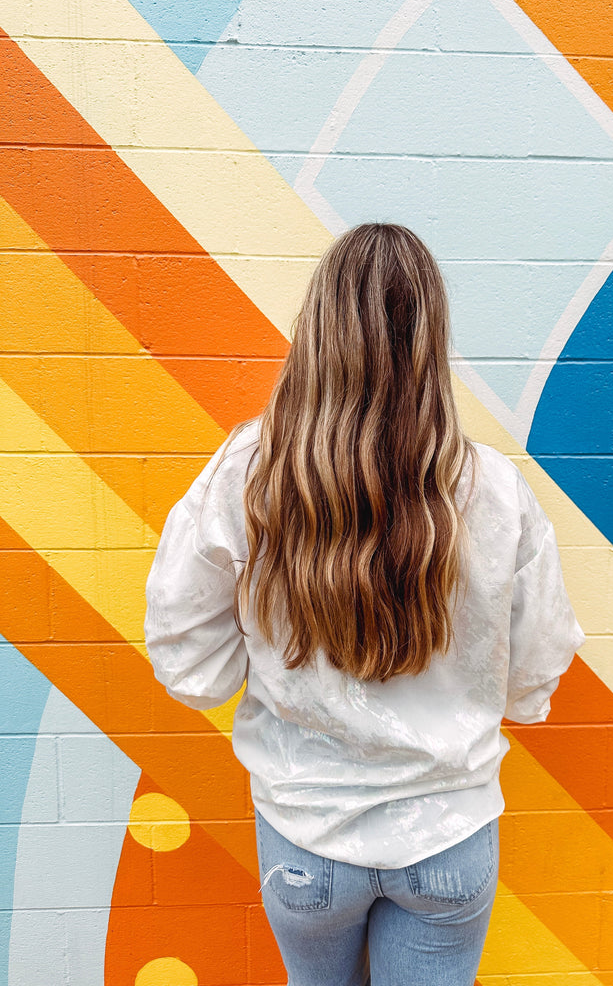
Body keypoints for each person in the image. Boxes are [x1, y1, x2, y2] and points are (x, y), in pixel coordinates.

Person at [144, 222, 584, 986]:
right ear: (431, 340)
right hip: (448, 838)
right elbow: (534, 682)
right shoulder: (495, 489)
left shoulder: (248, 475)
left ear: (316, 330)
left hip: (304, 840)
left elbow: (191, 669)